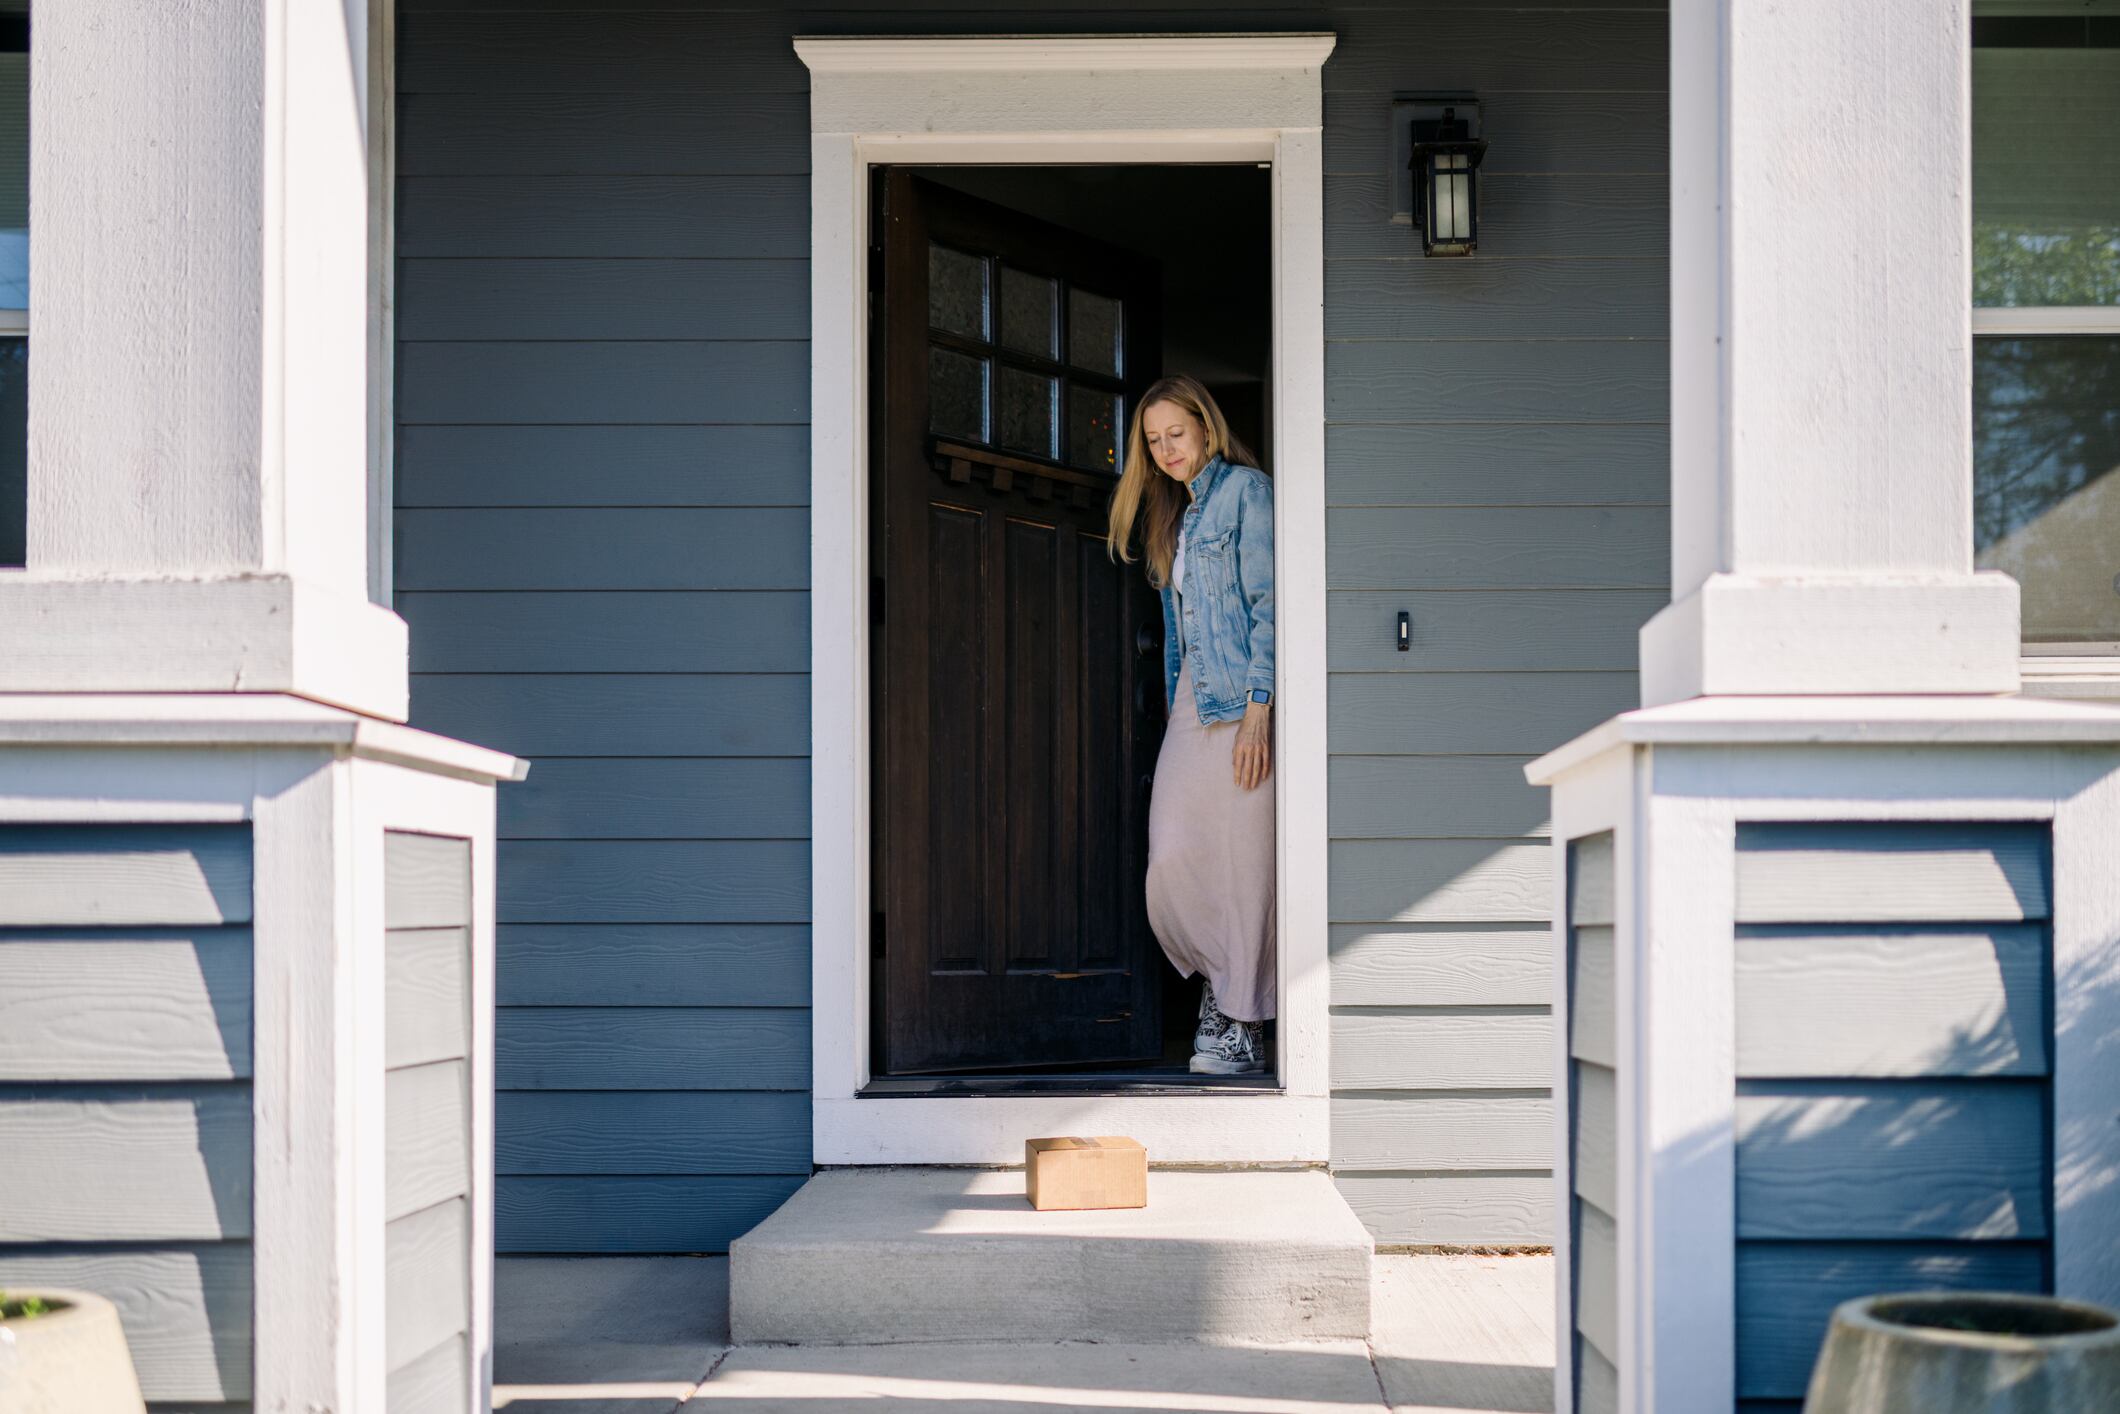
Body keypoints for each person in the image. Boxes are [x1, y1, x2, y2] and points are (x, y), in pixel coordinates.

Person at [1107, 374, 1276, 1075]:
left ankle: (1238, 1018)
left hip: (1242, 706)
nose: (1167, 448)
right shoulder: (1171, 517)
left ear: (1206, 427)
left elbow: (1269, 604)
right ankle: (1219, 983)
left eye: (1177, 432)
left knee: (1243, 867)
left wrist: (1259, 715)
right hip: (1191, 708)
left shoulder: (1246, 493)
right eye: (1153, 440)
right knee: (1173, 857)